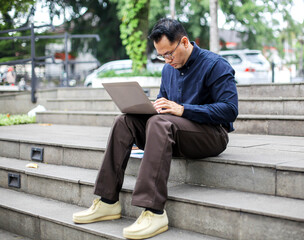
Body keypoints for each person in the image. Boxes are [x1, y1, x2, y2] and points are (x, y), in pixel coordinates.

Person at [73, 18, 238, 239]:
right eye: (161, 56)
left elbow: (229, 110)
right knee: (124, 121)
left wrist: (183, 109)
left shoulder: (215, 65)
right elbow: (163, 104)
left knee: (160, 123)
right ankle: (107, 202)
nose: (167, 60)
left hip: (211, 136)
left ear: (185, 42)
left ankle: (154, 212)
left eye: (169, 53)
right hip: (170, 133)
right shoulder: (168, 70)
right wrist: (150, 108)